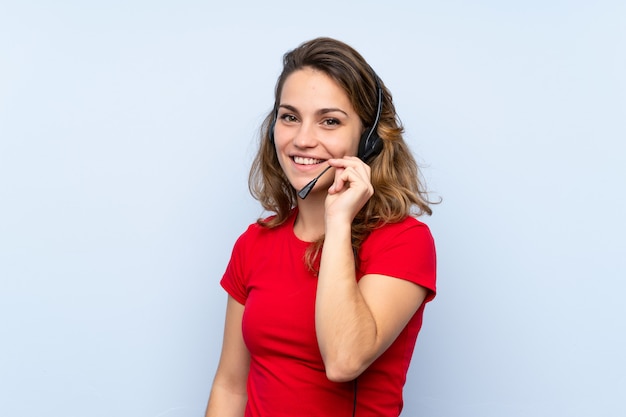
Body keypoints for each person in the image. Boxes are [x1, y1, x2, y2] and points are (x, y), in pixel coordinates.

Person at [205, 37, 436, 417]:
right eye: (289, 117)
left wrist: (339, 220)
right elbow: (230, 387)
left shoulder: (404, 241)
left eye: (329, 121)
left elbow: (344, 360)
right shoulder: (254, 243)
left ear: (369, 140)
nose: (302, 139)